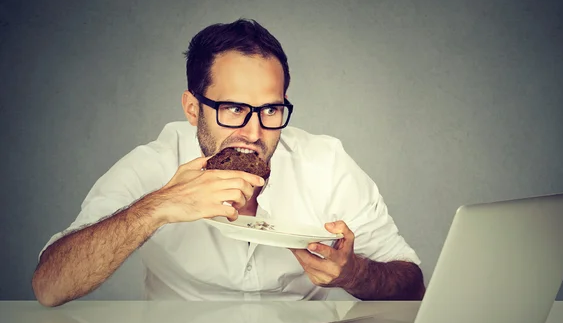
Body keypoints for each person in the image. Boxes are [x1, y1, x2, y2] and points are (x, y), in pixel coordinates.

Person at [32, 19, 426, 307]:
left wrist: (354, 273)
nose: (254, 133)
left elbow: (412, 285)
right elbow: (50, 287)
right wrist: (158, 207)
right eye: (234, 108)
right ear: (192, 109)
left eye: (271, 109)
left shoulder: (325, 163)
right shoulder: (152, 165)